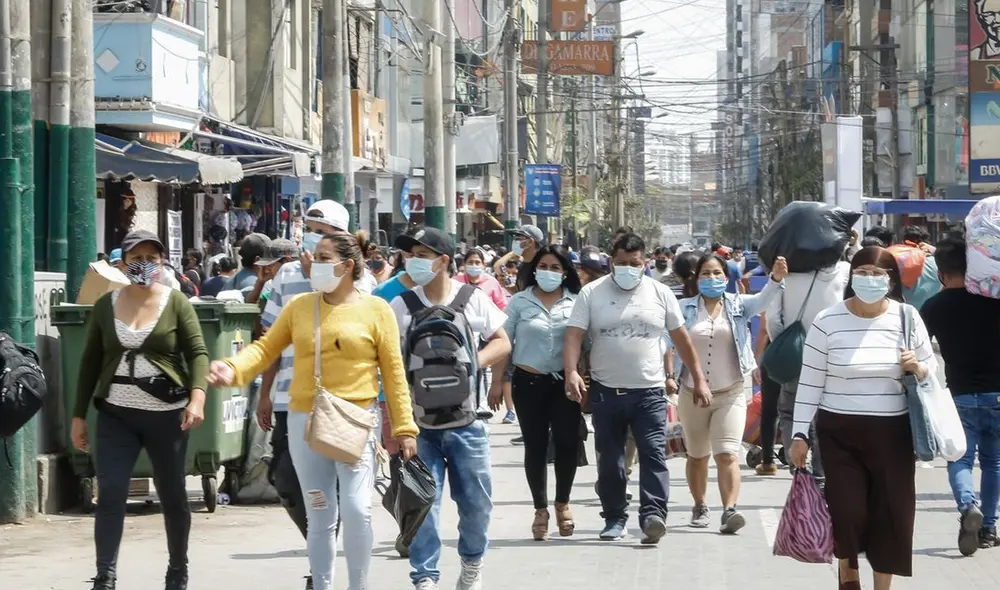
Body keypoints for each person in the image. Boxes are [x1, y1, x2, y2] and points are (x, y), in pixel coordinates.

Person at [208, 233, 419, 590]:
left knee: (356, 509)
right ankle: (322, 585)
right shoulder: (300, 307)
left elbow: (394, 373)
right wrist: (234, 368)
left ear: (347, 265)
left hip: (354, 421)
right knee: (320, 511)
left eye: (323, 257)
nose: (314, 263)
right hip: (305, 422)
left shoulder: (376, 310)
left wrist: (404, 427)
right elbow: (265, 349)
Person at [789, 246, 935, 590]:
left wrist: (918, 366)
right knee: (847, 513)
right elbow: (810, 381)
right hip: (839, 433)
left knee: (891, 515)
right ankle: (848, 571)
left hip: (892, 433)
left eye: (878, 273)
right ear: (851, 276)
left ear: (890, 280)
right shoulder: (828, 321)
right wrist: (799, 434)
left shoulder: (906, 317)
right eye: (863, 272)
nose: (870, 280)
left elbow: (932, 371)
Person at [72, 230, 209, 590]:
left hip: (167, 415)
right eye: (136, 259)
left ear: (163, 262)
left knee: (173, 495)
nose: (144, 266)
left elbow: (198, 352)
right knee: (111, 492)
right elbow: (89, 363)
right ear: (123, 263)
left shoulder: (176, 301)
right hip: (117, 414)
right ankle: (105, 575)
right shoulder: (107, 305)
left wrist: (197, 397)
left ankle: (177, 569)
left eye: (152, 258)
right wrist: (77, 416)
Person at [256, 200, 375, 588]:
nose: (314, 240)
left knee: (352, 501)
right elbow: (270, 340)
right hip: (296, 402)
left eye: (324, 234)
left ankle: (332, 572)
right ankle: (322, 551)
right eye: (310, 230)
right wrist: (264, 393)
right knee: (291, 483)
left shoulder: (361, 281)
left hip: (345, 407)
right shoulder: (286, 275)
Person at [563, 233, 710, 544]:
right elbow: (574, 335)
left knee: (653, 455)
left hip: (650, 392)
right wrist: (571, 372)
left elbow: (681, 338)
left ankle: (654, 515)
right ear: (611, 263)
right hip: (606, 392)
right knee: (610, 459)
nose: (627, 268)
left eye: (634, 263)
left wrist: (698, 378)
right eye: (620, 263)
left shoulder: (660, 293)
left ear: (644, 263)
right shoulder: (591, 293)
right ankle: (615, 517)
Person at [388, 227, 511, 590]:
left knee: (476, 504)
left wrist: (473, 364)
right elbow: (391, 363)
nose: (413, 260)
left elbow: (503, 342)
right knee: (423, 504)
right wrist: (396, 420)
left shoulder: (472, 298)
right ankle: (424, 577)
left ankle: (472, 561)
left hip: (467, 422)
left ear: (443, 261)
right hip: (419, 424)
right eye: (410, 253)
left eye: (422, 254)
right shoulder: (401, 305)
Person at [669, 253, 787, 532]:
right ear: (696, 279)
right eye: (705, 274)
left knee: (728, 454)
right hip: (692, 393)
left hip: (731, 392)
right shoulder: (682, 308)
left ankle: (729, 510)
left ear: (726, 276)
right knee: (697, 455)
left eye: (717, 273)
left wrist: (776, 278)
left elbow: (763, 301)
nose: (711, 279)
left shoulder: (738, 305)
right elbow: (667, 342)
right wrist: (668, 376)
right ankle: (700, 505)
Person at [489, 245, 583, 541]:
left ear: (565, 272)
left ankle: (563, 504)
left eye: (556, 268)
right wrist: (495, 383)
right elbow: (503, 343)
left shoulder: (577, 302)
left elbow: (587, 342)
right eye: (544, 266)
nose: (549, 272)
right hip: (528, 383)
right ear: (534, 269)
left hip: (565, 384)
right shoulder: (519, 302)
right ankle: (540, 509)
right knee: (536, 446)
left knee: (568, 444)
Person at [921, 237, 1000, 553]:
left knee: (960, 457)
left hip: (960, 396)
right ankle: (989, 529)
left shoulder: (934, 306)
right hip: (998, 394)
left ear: (941, 273)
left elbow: (920, 347)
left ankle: (968, 506)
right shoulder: (994, 300)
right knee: (993, 461)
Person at [767, 248, 852, 484]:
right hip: (831, 355)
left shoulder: (784, 273)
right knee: (825, 414)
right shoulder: (843, 271)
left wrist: (784, 346)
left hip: (795, 359)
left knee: (790, 412)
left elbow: (773, 319)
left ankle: (798, 468)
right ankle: (822, 474)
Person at [457, 247, 514, 424]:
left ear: (483, 265)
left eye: (477, 262)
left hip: (489, 334)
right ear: (464, 265)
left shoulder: (491, 283)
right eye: (470, 262)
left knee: (480, 368)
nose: (474, 266)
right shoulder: (456, 282)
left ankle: (481, 407)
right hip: (464, 334)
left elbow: (502, 307)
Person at [493, 224, 545, 291]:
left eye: (518, 239)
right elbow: (497, 267)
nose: (515, 242)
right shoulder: (523, 266)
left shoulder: (543, 265)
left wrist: (514, 252)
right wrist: (507, 285)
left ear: (530, 242)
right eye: (515, 239)